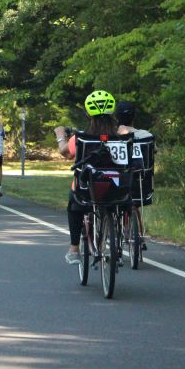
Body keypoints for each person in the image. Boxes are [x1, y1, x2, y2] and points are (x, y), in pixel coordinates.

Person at [53, 90, 118, 265]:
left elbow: (65, 153)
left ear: (89, 113)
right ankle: (116, 240)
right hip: (118, 185)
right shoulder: (122, 137)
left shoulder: (81, 138)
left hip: (88, 188)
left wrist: (60, 136)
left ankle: (74, 248)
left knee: (74, 205)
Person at [116, 101, 154, 251]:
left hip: (119, 183)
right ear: (134, 117)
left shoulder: (112, 136)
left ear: (116, 117)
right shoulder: (147, 135)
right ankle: (139, 234)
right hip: (140, 184)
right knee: (135, 203)